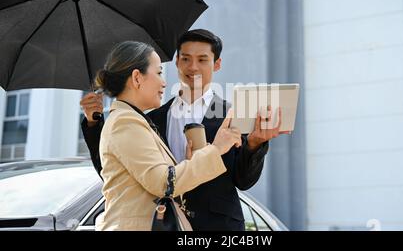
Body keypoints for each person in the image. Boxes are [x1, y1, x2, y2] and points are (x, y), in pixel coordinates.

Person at [81, 29, 289, 230]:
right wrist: (93, 124)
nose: (193, 67)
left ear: (217, 64)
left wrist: (254, 144)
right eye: (186, 58)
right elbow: (116, 173)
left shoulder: (232, 115)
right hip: (164, 222)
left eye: (202, 59)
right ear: (177, 61)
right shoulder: (147, 119)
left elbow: (243, 180)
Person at [92, 41, 241, 231]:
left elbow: (162, 183)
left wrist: (191, 161)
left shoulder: (132, 120)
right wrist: (216, 148)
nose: (164, 82)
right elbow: (164, 183)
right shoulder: (125, 122)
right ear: (137, 78)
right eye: (159, 73)